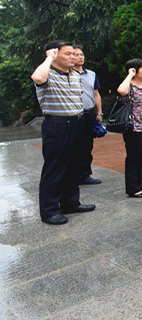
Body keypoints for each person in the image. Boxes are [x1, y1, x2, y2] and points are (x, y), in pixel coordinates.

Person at [31, 40, 95, 225]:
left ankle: (70, 203)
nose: (73, 57)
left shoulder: (74, 74)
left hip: (77, 122)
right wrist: (48, 59)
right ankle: (50, 211)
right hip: (57, 125)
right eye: (68, 53)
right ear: (54, 54)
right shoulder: (47, 73)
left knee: (74, 166)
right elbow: (38, 78)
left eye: (74, 53)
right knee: (55, 168)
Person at [117, 59, 142, 198]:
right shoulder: (129, 87)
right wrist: (130, 75)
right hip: (133, 128)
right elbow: (121, 91)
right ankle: (133, 188)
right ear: (135, 71)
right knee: (133, 157)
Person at [72, 45, 103, 185]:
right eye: (76, 54)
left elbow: (96, 94)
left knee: (87, 146)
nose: (80, 57)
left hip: (89, 114)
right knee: (74, 145)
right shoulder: (66, 74)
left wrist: (99, 112)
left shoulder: (91, 74)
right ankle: (73, 175)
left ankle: (85, 175)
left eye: (82, 54)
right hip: (73, 115)